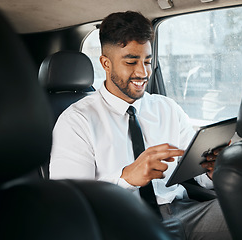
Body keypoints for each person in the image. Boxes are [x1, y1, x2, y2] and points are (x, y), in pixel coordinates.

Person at [49, 11, 231, 240]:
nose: (142, 72)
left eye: (147, 61)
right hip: (119, 222)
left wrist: (214, 170)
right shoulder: (76, 121)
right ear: (106, 63)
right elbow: (70, 203)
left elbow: (198, 174)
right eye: (131, 62)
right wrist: (126, 178)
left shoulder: (168, 109)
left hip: (184, 212)